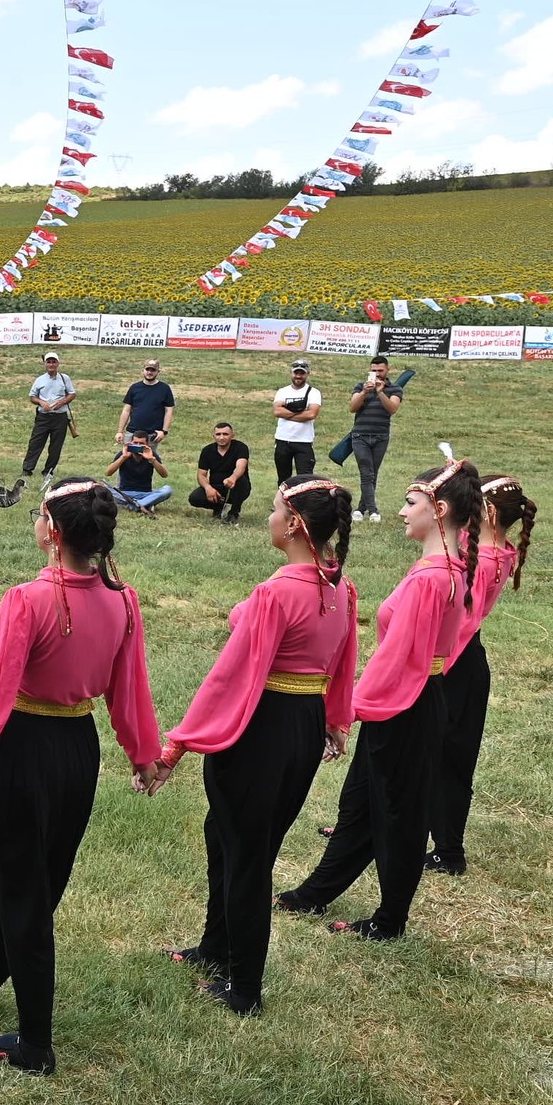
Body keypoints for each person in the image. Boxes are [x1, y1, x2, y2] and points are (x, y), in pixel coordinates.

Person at [0, 478, 161, 1075]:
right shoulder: (122, 600)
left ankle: (36, 1043)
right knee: (32, 879)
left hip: (18, 752)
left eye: (38, 515)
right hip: (77, 752)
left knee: (24, 893)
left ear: (52, 530)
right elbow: (131, 691)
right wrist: (142, 754)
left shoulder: (26, 599)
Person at [156, 477, 359, 1014]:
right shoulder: (337, 585)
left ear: (294, 524)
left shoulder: (278, 592)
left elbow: (231, 675)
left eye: (273, 509)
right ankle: (215, 946)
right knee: (229, 837)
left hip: (261, 726)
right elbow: (342, 659)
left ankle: (243, 986)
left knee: (247, 854)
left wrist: (178, 745)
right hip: (302, 726)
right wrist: (336, 719)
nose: (268, 517)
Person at [278, 459, 480, 940]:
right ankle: (315, 893)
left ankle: (389, 922)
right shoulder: (444, 568)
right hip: (410, 701)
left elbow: (398, 658)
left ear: (440, 509)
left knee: (397, 815)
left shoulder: (433, 577)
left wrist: (347, 711)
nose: (402, 511)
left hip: (404, 705)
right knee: (364, 806)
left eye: (411, 503)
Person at [428, 474, 534, 876]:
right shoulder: (495, 550)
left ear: (487, 512)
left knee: (450, 758)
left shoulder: (486, 560)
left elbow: (462, 626)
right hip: (461, 662)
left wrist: (429, 674)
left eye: (471, 503)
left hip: (456, 664)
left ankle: (448, 850)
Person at [346, 355, 402, 522]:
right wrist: (364, 392)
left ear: (387, 370)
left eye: (380, 370)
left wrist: (380, 391)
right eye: (373, 370)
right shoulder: (360, 386)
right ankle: (373, 511)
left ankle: (360, 509)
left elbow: (392, 408)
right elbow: (352, 408)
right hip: (360, 435)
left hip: (381, 436)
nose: (377, 374)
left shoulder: (395, 389)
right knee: (366, 472)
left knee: (372, 474)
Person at [21, 352, 76, 479]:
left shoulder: (64, 378)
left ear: (58, 363)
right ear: (45, 364)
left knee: (56, 445)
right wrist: (41, 402)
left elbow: (72, 394)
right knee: (35, 443)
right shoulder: (40, 380)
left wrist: (62, 402)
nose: (51, 364)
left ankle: (49, 470)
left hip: (60, 417)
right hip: (43, 417)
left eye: (53, 362)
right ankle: (27, 469)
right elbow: (32, 397)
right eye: (49, 362)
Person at [189, 421, 253, 524]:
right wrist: (208, 488)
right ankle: (218, 507)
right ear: (214, 436)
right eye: (218, 434)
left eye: (225, 434)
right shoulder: (207, 450)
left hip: (236, 486)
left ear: (232, 435)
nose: (221, 437)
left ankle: (233, 513)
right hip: (216, 487)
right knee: (194, 498)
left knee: (241, 481)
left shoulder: (240, 447)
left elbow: (240, 467)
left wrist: (232, 478)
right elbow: (201, 474)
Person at [271, 359, 321, 484]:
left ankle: (303, 503)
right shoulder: (282, 391)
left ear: (307, 374)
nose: (298, 376)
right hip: (283, 440)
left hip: (304, 441)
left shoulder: (314, 392)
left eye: (302, 373)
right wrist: (300, 414)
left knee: (305, 478)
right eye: (296, 373)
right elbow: (277, 412)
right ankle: (283, 503)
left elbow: (311, 414)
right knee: (283, 478)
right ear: (291, 373)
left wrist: (286, 414)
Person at [116, 359, 175, 454]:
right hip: (132, 433)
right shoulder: (134, 388)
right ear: (143, 370)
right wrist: (120, 431)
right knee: (127, 459)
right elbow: (126, 410)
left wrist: (164, 431)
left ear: (158, 372)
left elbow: (169, 411)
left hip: (152, 435)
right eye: (148, 369)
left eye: (153, 370)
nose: (150, 372)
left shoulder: (164, 389)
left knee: (148, 461)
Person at [104, 431, 172, 512]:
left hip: (145, 493)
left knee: (167, 490)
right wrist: (123, 457)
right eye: (135, 442)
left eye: (141, 443)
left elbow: (164, 475)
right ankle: (146, 504)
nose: (138, 445)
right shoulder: (124, 454)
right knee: (103, 487)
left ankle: (134, 505)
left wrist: (152, 459)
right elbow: (108, 473)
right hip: (125, 493)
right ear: (131, 443)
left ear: (147, 445)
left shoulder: (151, 455)